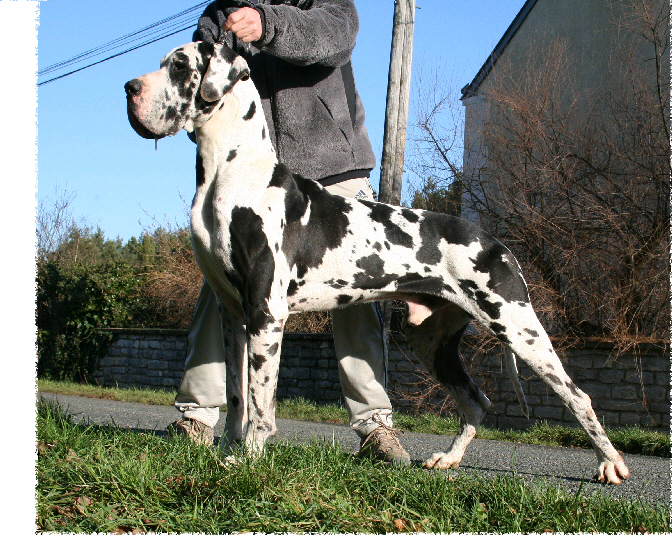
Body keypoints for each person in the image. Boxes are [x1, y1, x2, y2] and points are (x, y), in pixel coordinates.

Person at [169, 0, 410, 465]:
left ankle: (375, 425)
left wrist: (267, 25)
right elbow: (200, 84)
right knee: (221, 279)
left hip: (334, 168)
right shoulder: (219, 14)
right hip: (252, 172)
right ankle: (197, 416)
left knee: (359, 295)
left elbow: (334, 37)